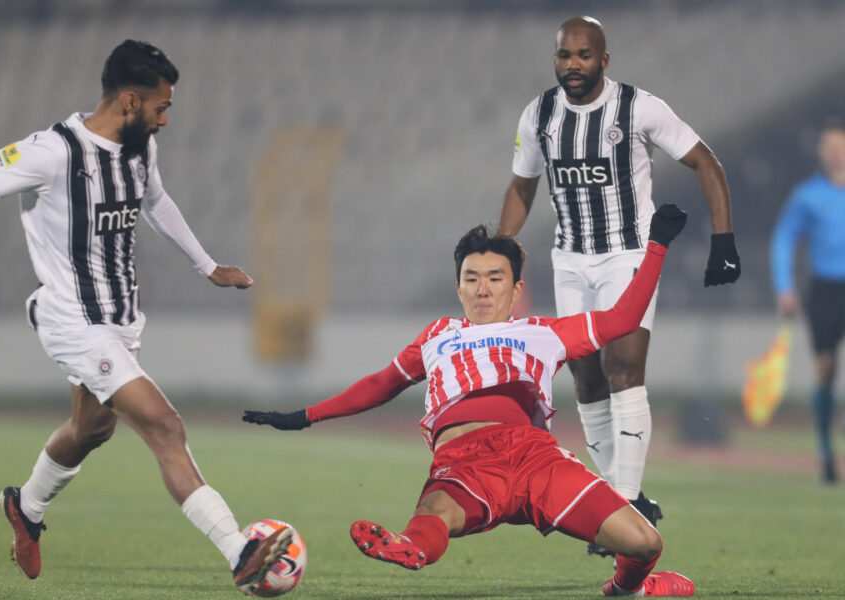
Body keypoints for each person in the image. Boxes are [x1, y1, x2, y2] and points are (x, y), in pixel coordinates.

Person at [0, 39, 290, 594]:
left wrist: (207, 266)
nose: (167, 119)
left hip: (120, 318)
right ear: (130, 100)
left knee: (92, 428)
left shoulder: (139, 146)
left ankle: (25, 507)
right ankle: (240, 550)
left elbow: (156, 201)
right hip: (71, 318)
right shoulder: (52, 153)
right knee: (165, 426)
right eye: (161, 107)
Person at [245, 204, 695, 597]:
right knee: (436, 512)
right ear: (458, 287)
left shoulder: (544, 332)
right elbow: (381, 384)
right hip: (464, 462)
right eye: (472, 278)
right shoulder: (437, 336)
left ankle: (626, 589)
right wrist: (305, 416)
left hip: (536, 460)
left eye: (495, 278)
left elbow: (624, 318)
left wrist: (656, 246)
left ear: (516, 289)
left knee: (645, 543)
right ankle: (411, 547)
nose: (483, 289)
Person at [497, 16, 740, 548]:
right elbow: (522, 186)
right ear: (555, 59)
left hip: (628, 255)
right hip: (569, 261)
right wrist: (502, 252)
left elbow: (706, 162)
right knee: (586, 381)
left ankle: (623, 504)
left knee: (622, 367)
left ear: (604, 60)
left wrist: (723, 240)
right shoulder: (538, 114)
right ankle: (622, 497)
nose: (574, 65)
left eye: (584, 56)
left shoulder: (638, 107)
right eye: (565, 56)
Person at [771, 117, 845, 484]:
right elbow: (784, 239)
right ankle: (825, 451)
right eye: (829, 146)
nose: (835, 153)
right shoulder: (808, 195)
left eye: (840, 146)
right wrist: (785, 287)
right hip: (826, 289)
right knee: (825, 369)